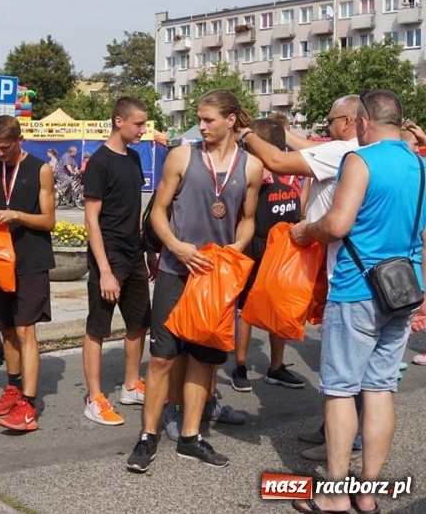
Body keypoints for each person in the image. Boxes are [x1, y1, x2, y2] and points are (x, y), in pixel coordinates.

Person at [288, 89, 423, 514]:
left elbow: (338, 224)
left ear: (363, 122)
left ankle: (334, 494)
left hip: (358, 288)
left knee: (340, 390)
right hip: (404, 288)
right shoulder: (419, 163)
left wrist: (306, 230)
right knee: (380, 388)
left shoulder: (359, 160)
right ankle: (367, 492)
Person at [126, 89, 262, 472]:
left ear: (231, 120)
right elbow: (158, 211)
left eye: (208, 120)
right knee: (162, 358)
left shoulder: (251, 166)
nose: (201, 126)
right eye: (199, 119)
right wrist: (176, 246)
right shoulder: (182, 156)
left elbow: (248, 218)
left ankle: (190, 437)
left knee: (203, 360)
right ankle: (147, 436)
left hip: (216, 278)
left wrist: (237, 246)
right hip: (176, 270)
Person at [236, 95, 362, 463]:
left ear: (348, 122)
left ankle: (347, 444)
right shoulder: (356, 151)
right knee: (353, 369)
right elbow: (308, 149)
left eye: (331, 120)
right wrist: (283, 132)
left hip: (343, 271)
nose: (327, 127)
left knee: (344, 370)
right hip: (339, 267)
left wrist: (245, 134)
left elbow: (278, 160)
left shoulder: (345, 152)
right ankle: (333, 430)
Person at [0, 115, 56, 431]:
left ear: (19, 141)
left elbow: (49, 221)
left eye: (6, 148)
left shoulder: (41, 169)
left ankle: (28, 404)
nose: (0, 153)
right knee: (7, 329)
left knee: (26, 330)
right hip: (1, 260)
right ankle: (13, 387)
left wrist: (16, 215)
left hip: (31, 260)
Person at [82, 97, 152, 426]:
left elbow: (135, 208)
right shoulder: (99, 162)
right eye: (138, 123)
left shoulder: (134, 158)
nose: (142, 129)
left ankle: (130, 386)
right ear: (118, 121)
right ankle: (94, 398)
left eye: (144, 123)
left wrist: (146, 250)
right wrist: (105, 271)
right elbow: (91, 219)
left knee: (139, 322)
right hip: (108, 254)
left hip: (133, 252)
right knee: (98, 327)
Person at [230, 118, 304, 392]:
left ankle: (276, 367)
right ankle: (240, 366)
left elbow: (299, 205)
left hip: (283, 248)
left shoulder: (293, 171)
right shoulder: (250, 170)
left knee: (279, 305)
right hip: (255, 245)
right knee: (246, 307)